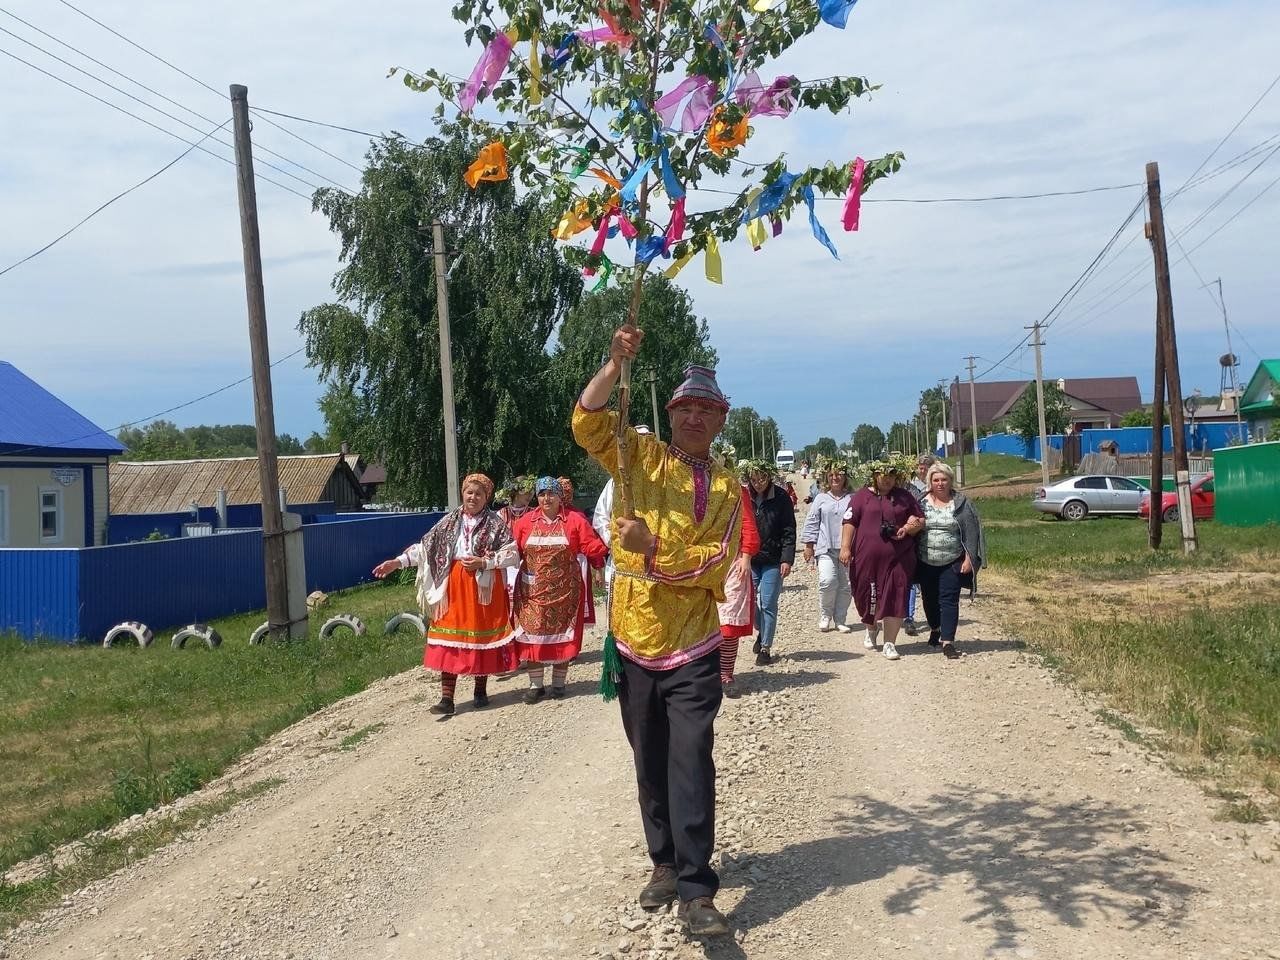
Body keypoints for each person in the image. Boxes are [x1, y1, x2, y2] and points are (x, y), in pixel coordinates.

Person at [573, 332, 741, 938]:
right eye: (685, 408)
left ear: (721, 420)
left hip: (694, 642)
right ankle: (664, 863)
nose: (695, 417)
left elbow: (716, 562)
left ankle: (698, 891)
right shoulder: (638, 456)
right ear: (670, 415)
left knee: (691, 756)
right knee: (648, 757)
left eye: (707, 410)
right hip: (634, 637)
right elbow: (588, 421)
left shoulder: (727, 487)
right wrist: (616, 362)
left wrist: (651, 548)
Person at [372, 473, 518, 715]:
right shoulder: (449, 521)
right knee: (450, 639)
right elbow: (426, 548)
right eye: (469, 492)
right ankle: (447, 699)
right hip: (452, 588)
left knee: (479, 638)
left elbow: (512, 553)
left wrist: (484, 561)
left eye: (479, 494)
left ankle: (480, 690)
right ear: (463, 493)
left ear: (486, 498)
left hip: (483, 588)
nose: (473, 497)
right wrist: (397, 563)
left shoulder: (495, 524)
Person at [511, 477, 609, 700]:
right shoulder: (526, 522)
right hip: (532, 592)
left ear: (559, 497)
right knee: (531, 635)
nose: (547, 498)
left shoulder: (574, 520)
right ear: (537, 497)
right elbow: (512, 550)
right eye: (542, 494)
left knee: (562, 636)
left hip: (565, 592)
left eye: (551, 494)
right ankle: (536, 685)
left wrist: (615, 544)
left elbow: (592, 546)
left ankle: (558, 684)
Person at [839, 459, 925, 662]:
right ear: (874, 475)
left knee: (896, 596)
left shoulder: (904, 497)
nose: (887, 479)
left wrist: (911, 526)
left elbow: (919, 520)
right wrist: (845, 547)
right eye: (882, 475)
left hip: (899, 558)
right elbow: (849, 521)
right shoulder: (861, 496)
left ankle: (890, 643)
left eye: (891, 475)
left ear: (897, 476)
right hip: (865, 559)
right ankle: (871, 626)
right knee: (864, 596)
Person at [915, 462, 986, 660]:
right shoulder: (920, 501)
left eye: (944, 479)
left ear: (950, 481)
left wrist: (969, 558)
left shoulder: (961, 503)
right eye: (936, 480)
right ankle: (935, 628)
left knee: (949, 600)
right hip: (925, 559)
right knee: (929, 599)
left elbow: (972, 533)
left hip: (952, 560)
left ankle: (948, 642)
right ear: (930, 482)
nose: (940, 483)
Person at [742, 460, 795, 666]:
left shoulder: (781, 497)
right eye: (753, 479)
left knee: (768, 603)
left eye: (762, 478)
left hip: (773, 559)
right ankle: (761, 629)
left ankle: (765, 648)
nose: (758, 483)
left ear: (769, 476)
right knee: (751, 603)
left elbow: (789, 530)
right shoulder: (744, 496)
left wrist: (787, 559)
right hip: (751, 559)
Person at [717, 482, 761, 698]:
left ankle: (725, 674)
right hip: (702, 561)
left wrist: (746, 556)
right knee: (705, 622)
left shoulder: (735, 488)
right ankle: (706, 673)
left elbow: (747, 523)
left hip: (733, 561)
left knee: (728, 620)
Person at [802, 462, 854, 633]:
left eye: (839, 474)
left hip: (848, 548)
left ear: (845, 477)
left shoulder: (852, 498)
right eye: (831, 474)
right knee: (827, 581)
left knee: (845, 584)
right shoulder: (821, 498)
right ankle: (825, 615)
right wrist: (809, 545)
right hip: (826, 547)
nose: (835, 477)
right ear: (826, 477)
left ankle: (840, 618)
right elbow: (812, 521)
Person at [902, 454, 936, 637]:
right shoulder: (883, 491)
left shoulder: (914, 491)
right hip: (897, 541)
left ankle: (910, 617)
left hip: (917, 540)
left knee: (915, 583)